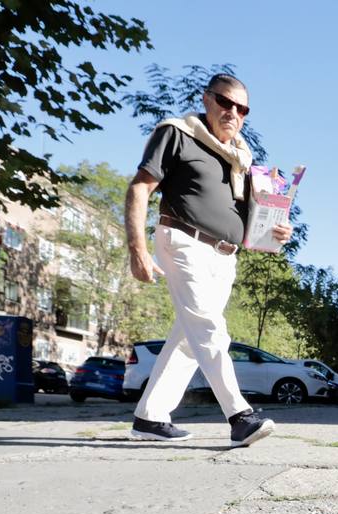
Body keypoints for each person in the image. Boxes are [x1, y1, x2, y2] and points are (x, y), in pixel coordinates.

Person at [123, 73, 292, 447]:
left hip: (225, 255)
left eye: (241, 108)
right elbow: (139, 188)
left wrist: (280, 230)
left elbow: (257, 218)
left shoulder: (243, 160)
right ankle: (239, 416)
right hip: (183, 241)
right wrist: (137, 248)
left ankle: (149, 417)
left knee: (189, 336)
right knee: (210, 329)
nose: (232, 112)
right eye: (225, 102)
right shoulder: (177, 133)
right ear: (207, 99)